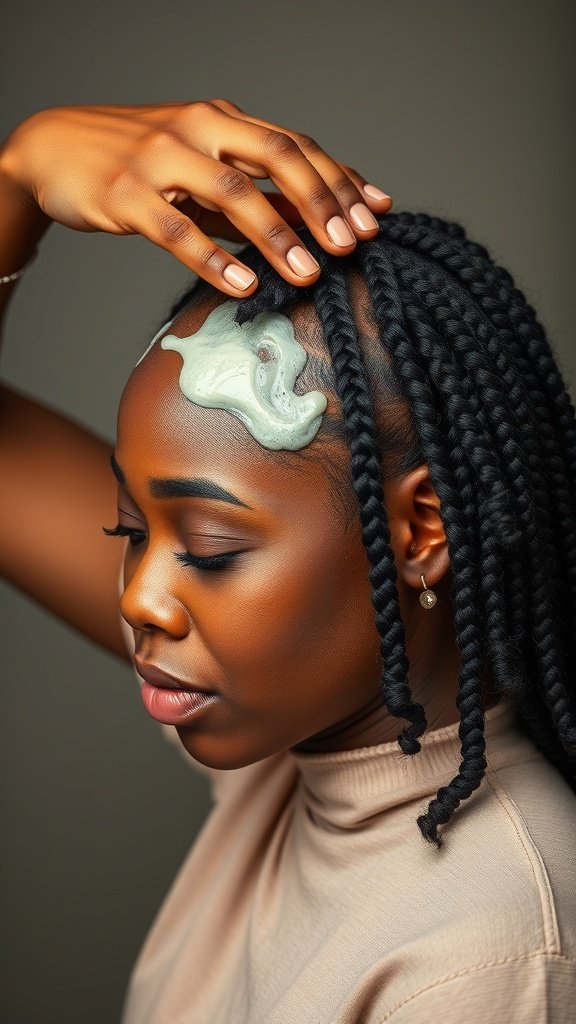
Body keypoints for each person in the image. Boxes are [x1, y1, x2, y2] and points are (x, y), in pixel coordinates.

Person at [1, 100, 575, 1023]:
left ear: (422, 531)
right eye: (128, 530)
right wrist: (18, 178)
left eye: (214, 550)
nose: (141, 597)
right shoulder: (301, 728)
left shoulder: (484, 959)